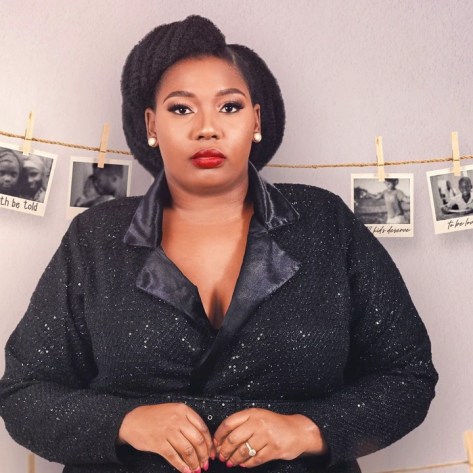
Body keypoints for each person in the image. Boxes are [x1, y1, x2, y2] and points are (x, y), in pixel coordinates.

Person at [0, 15, 437, 473]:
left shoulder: (325, 224)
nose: (207, 128)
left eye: (229, 107)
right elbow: (24, 393)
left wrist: (306, 430)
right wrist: (126, 423)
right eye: (181, 109)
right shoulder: (95, 237)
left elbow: (407, 376)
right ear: (151, 124)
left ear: (256, 120)